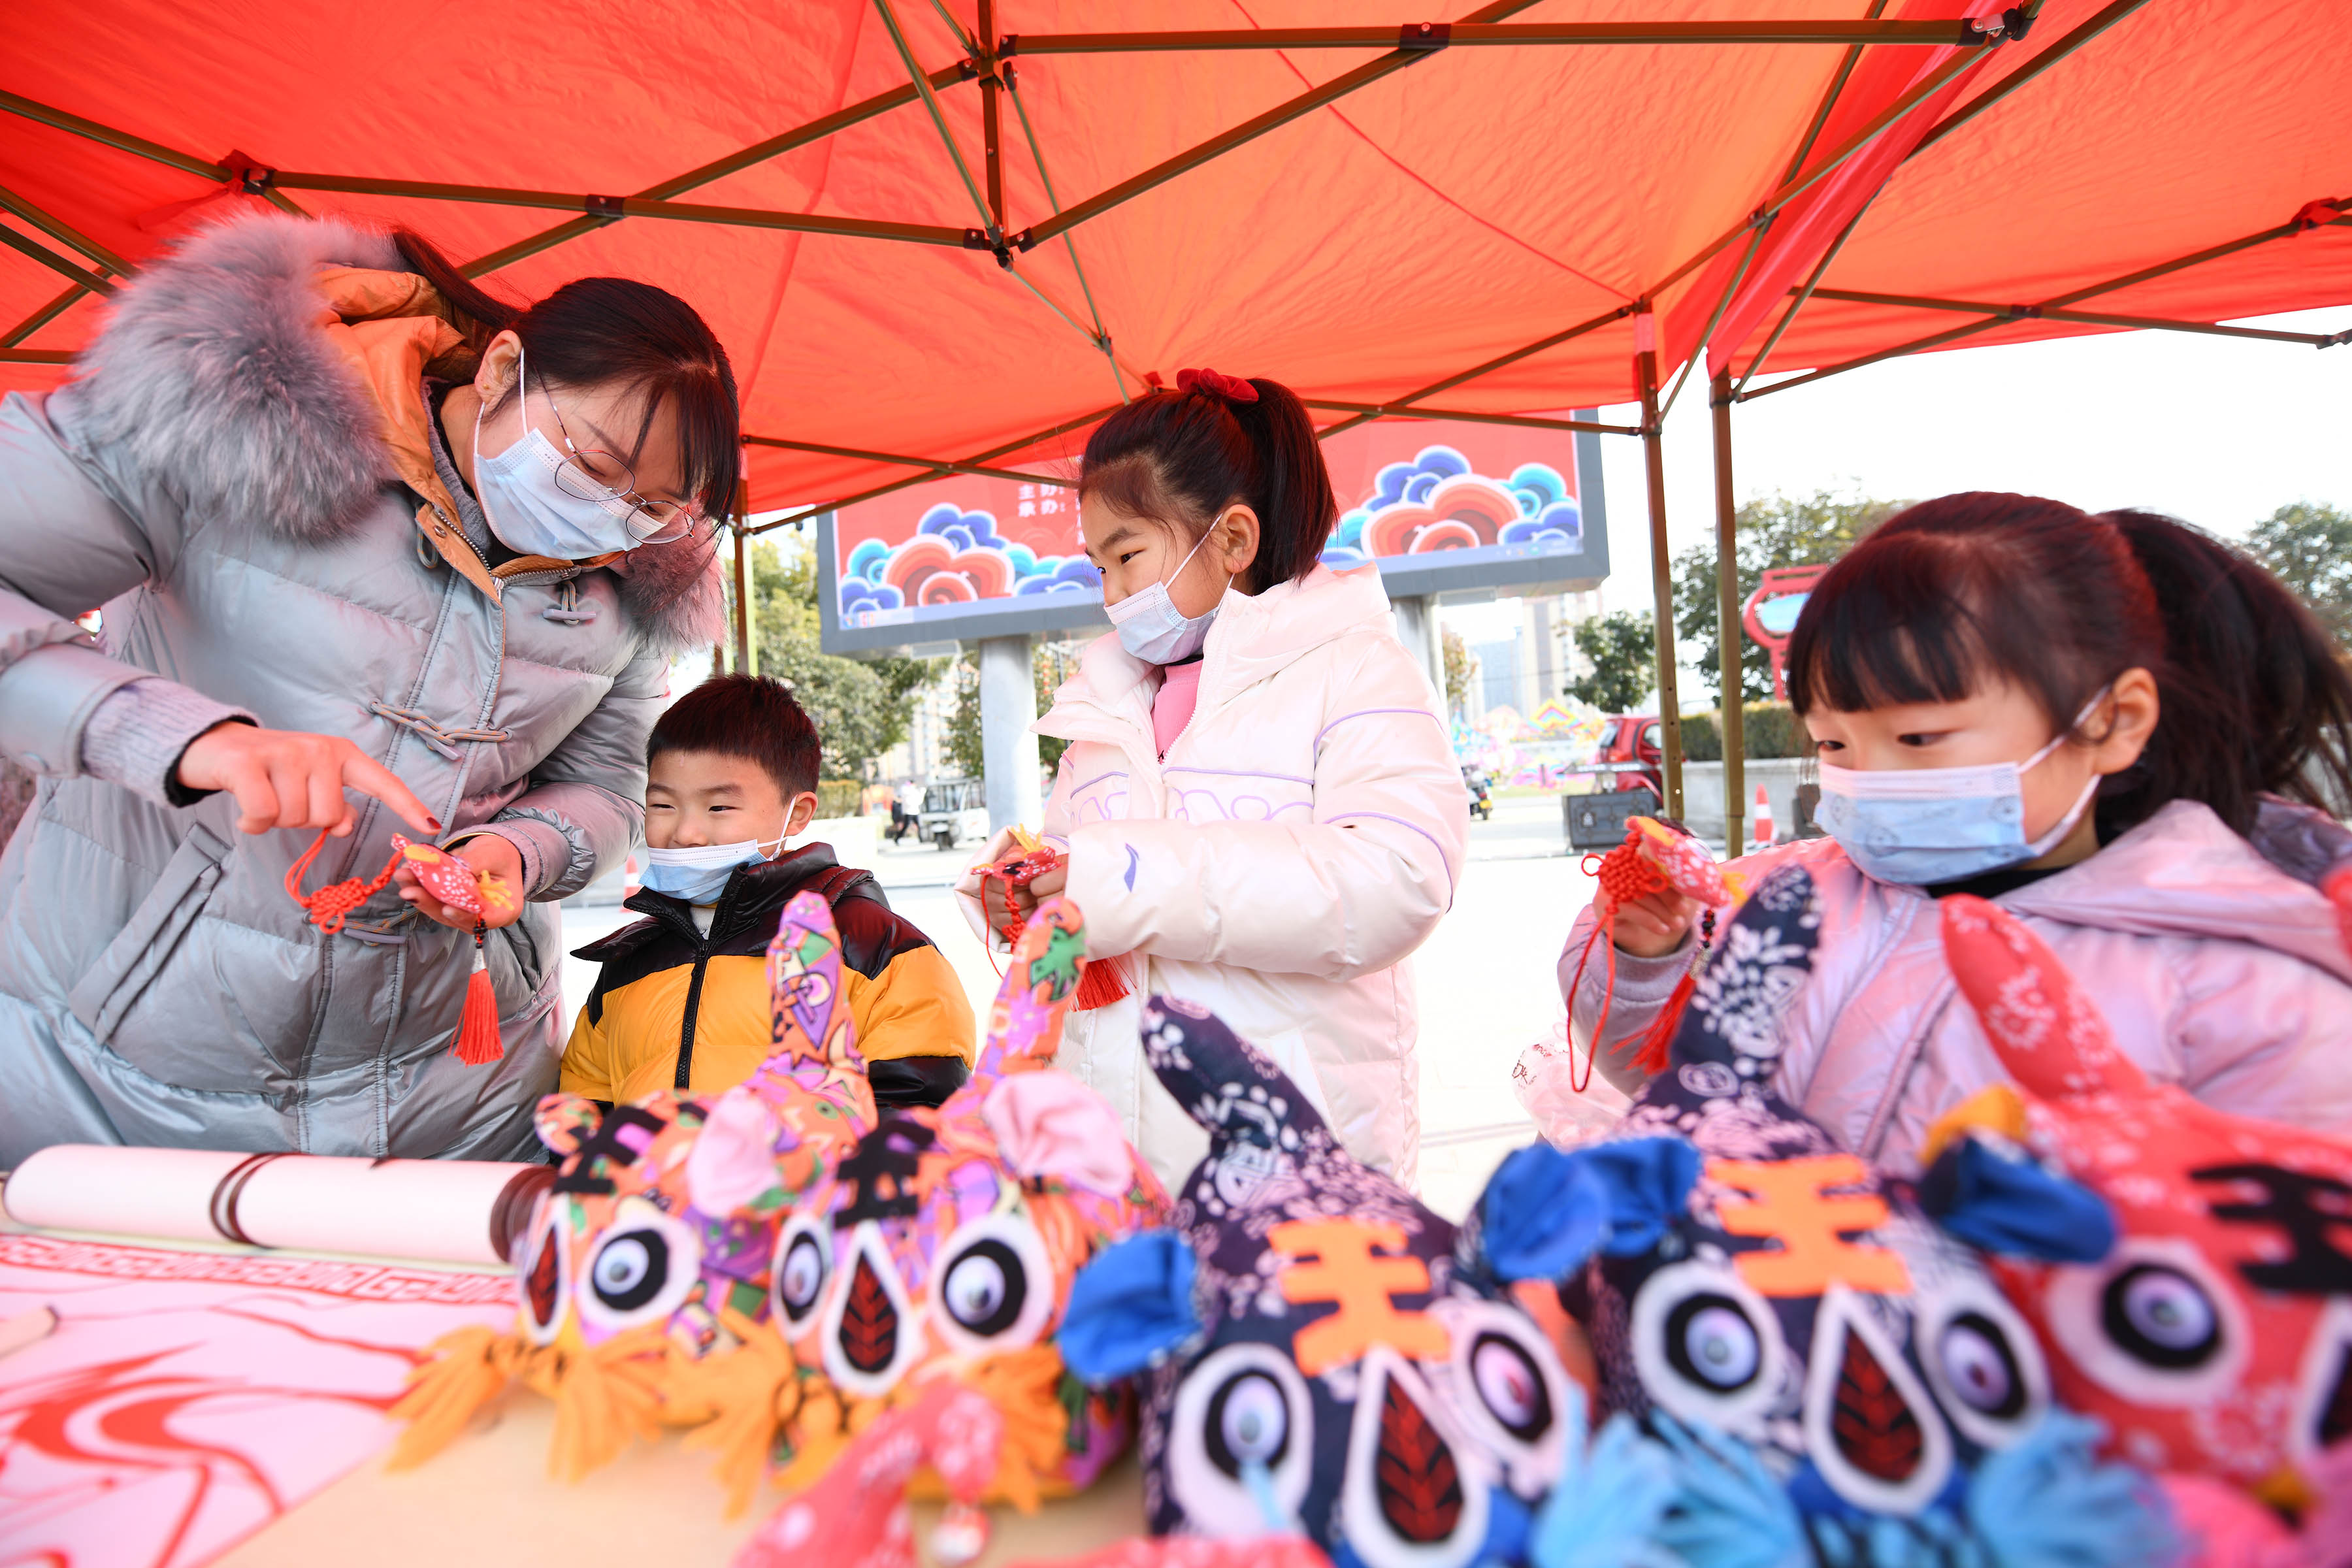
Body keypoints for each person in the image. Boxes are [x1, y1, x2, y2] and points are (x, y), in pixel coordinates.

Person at [0, 210, 738, 1163]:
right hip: (121, 1077)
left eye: (648, 506)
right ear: (502, 369)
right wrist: (181, 739)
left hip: (459, 1091)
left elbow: (611, 788)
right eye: (591, 466)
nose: (604, 515)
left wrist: (518, 852)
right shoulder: (232, 419)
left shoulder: (633, 583)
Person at [1563, 493, 2352, 1168]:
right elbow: (1684, 1087)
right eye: (1832, 744)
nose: (1867, 776)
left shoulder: (2249, 982)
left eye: (1919, 738)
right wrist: (1646, 959)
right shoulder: (1784, 905)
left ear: (2112, 722)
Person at [955, 368, 1466, 1189]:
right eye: (1098, 567)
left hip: (1290, 1172)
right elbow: (1078, 876)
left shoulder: (1355, 672)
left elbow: (1396, 881)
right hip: (1116, 1177)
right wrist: (1027, 893)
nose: (1112, 594)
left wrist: (1116, 879)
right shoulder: (1105, 706)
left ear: (1232, 539)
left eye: (1127, 556)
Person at [561, 674, 973, 1108]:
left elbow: (917, 1107)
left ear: (797, 814)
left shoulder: (877, 948)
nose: (685, 833)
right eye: (663, 805)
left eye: (718, 807)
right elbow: (586, 1096)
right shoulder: (630, 960)